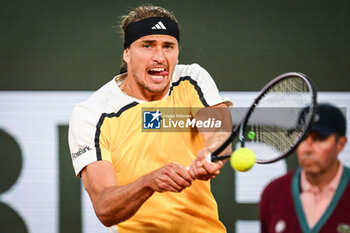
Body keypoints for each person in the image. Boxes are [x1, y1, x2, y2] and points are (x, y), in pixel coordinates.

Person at [68, 5, 232, 233]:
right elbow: (105, 208)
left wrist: (211, 152)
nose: (160, 57)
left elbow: (219, 130)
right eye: (147, 46)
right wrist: (148, 183)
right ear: (127, 54)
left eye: (168, 47)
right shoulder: (92, 113)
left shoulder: (191, 79)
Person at [259, 103, 350, 233]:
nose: (307, 148)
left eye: (319, 138)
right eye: (302, 137)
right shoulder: (273, 192)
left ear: (340, 144)